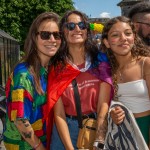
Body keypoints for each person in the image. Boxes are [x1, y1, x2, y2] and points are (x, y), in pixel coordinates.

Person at [43, 10, 114, 150]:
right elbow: (59, 113)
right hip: (65, 131)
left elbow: (103, 106)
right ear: (63, 31)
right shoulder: (56, 67)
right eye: (70, 26)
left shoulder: (100, 61)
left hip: (96, 126)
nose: (77, 29)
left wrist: (99, 139)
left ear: (87, 30)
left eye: (82, 25)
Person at [3, 12, 61, 150]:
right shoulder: (24, 74)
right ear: (34, 38)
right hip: (24, 145)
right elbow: (20, 120)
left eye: (57, 35)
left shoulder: (47, 69)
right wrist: (40, 147)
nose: (52, 39)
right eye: (45, 35)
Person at [101, 16, 150, 147]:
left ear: (134, 37)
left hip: (145, 130)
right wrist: (113, 114)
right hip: (122, 135)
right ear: (106, 42)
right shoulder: (108, 71)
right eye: (116, 35)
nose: (124, 39)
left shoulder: (145, 63)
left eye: (128, 33)